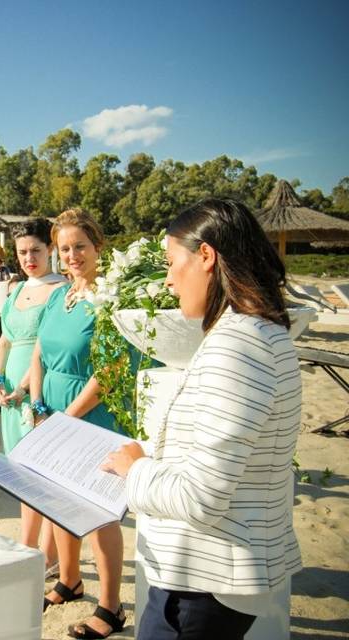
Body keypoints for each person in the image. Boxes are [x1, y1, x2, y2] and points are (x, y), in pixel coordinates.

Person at [102, 198, 302, 640]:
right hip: (214, 577)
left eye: (173, 263)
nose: (168, 279)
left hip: (204, 583)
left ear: (206, 256)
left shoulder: (239, 347)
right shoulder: (259, 333)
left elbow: (201, 497)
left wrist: (135, 470)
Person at [25, 208, 125, 638]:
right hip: (51, 411)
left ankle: (111, 607)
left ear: (98, 246)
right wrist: (36, 402)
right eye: (64, 248)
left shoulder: (113, 301)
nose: (71, 255)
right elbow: (38, 351)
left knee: (99, 511)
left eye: (79, 246)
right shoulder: (58, 295)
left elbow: (113, 369)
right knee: (58, 499)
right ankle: (69, 580)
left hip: (94, 415)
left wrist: (65, 418)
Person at [0, 219, 66, 570]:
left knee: (44, 476)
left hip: (39, 387)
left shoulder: (60, 289)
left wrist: (22, 388)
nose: (29, 258)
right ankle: (27, 544)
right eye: (22, 252)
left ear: (50, 249)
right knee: (22, 472)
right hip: (10, 392)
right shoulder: (15, 289)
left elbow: (46, 348)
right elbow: (4, 339)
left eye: (36, 250)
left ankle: (47, 555)